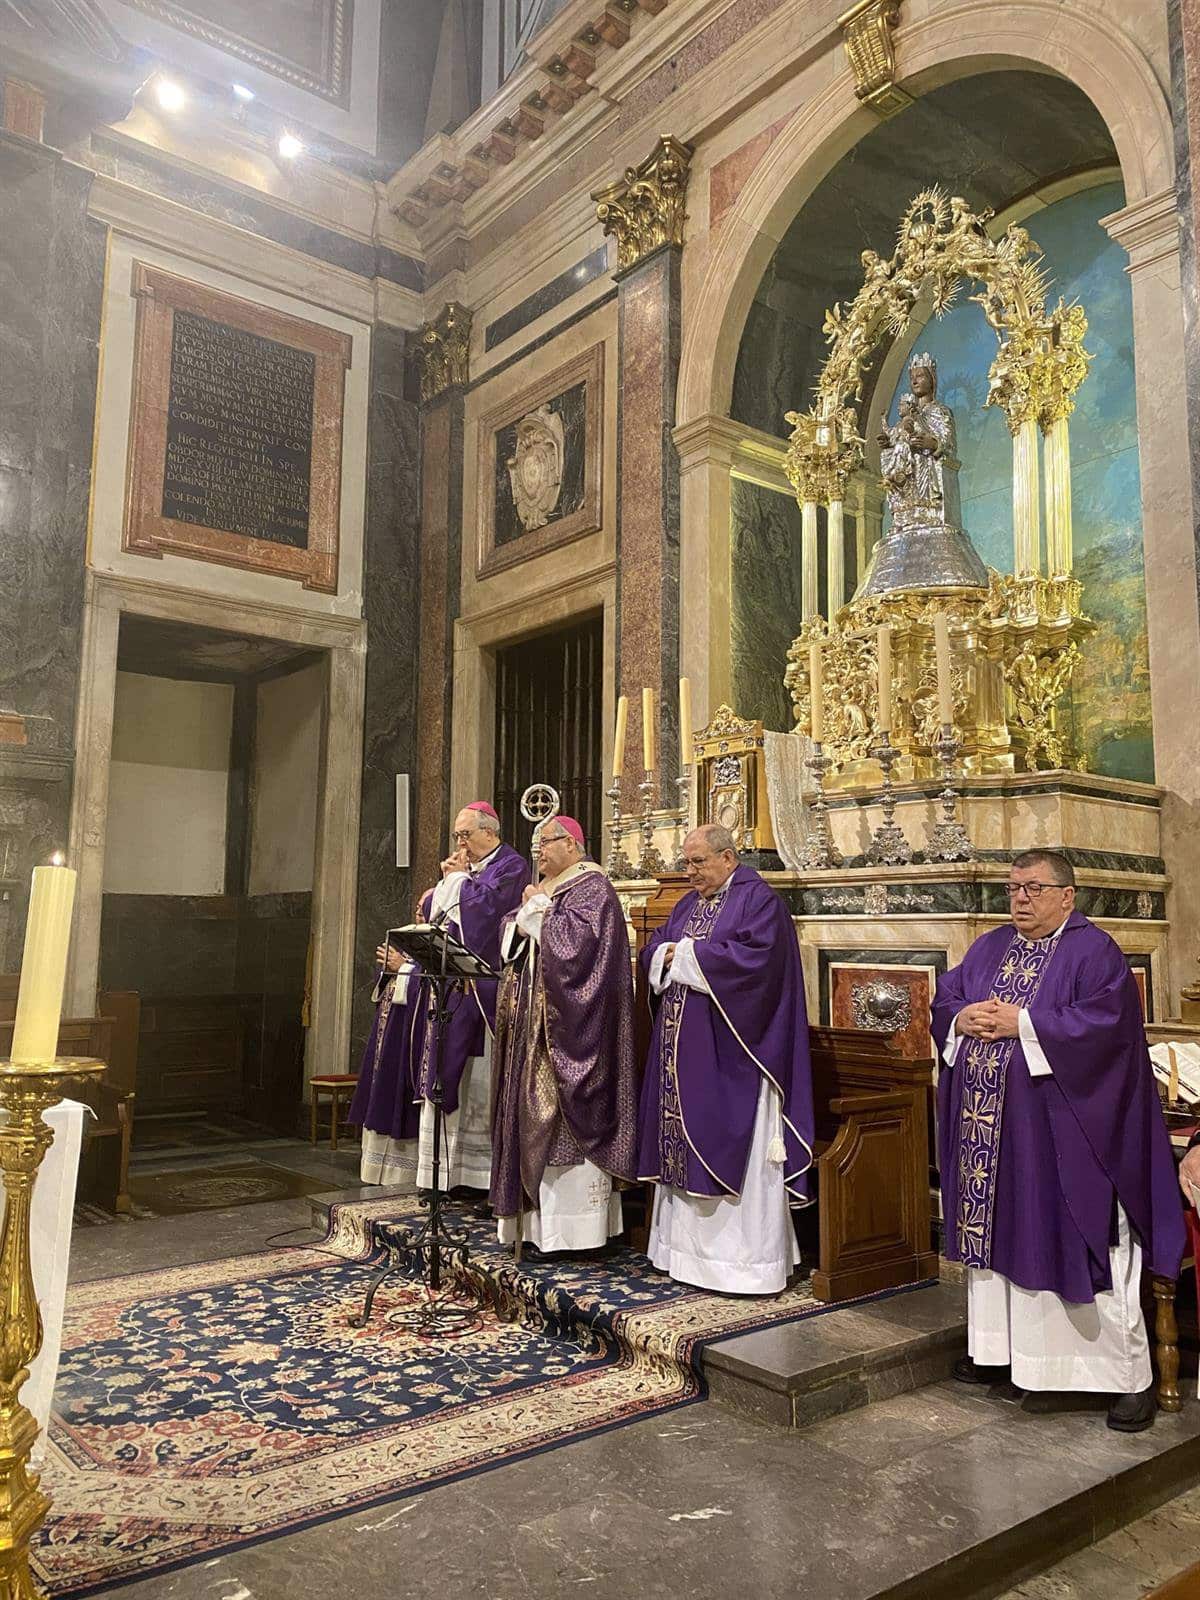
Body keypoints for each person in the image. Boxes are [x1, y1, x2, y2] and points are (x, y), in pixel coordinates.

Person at [932, 849, 1185, 1432]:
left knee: (1080, 1235)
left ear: (1067, 896)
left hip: (1068, 1138)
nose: (1020, 899)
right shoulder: (991, 946)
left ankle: (1123, 1380)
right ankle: (1002, 1354)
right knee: (1002, 1234)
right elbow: (948, 997)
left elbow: (1108, 1032)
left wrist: (1024, 1023)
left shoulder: (1095, 954)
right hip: (994, 1141)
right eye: (1013, 888)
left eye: (1034, 888)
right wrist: (961, 1018)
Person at [637, 823, 815, 1294]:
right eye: (686, 862)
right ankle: (683, 1256)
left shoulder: (758, 901)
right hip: (684, 1055)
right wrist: (668, 953)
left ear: (729, 858)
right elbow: (656, 944)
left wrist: (688, 954)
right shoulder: (690, 901)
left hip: (736, 1057)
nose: (690, 871)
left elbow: (759, 964)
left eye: (698, 862)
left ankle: (742, 1265)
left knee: (733, 1146)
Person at [490, 816, 638, 1252]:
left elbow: (577, 951)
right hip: (532, 1029)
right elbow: (511, 930)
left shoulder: (594, 889)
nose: (539, 850)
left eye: (547, 841)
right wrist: (529, 912)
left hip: (570, 1030)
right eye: (536, 843)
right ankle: (534, 1225)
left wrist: (536, 910)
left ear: (573, 844)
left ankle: (573, 1233)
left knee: (560, 1121)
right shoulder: (550, 889)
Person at [409, 802, 529, 1190]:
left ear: (490, 832)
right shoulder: (468, 870)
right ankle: (445, 1173)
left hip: (482, 993)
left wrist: (458, 882)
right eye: (458, 836)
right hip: (450, 991)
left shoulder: (511, 866)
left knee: (478, 1080)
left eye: (466, 835)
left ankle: (478, 1176)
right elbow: (432, 914)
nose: (460, 843)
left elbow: (488, 915)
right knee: (446, 1074)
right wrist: (447, 883)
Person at [348, 934, 422, 1186]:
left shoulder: (434, 946)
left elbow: (428, 986)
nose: (418, 913)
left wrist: (404, 969)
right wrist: (391, 972)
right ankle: (374, 1169)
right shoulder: (409, 942)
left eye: (423, 908)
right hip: (387, 1034)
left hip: (408, 1040)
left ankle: (400, 1173)